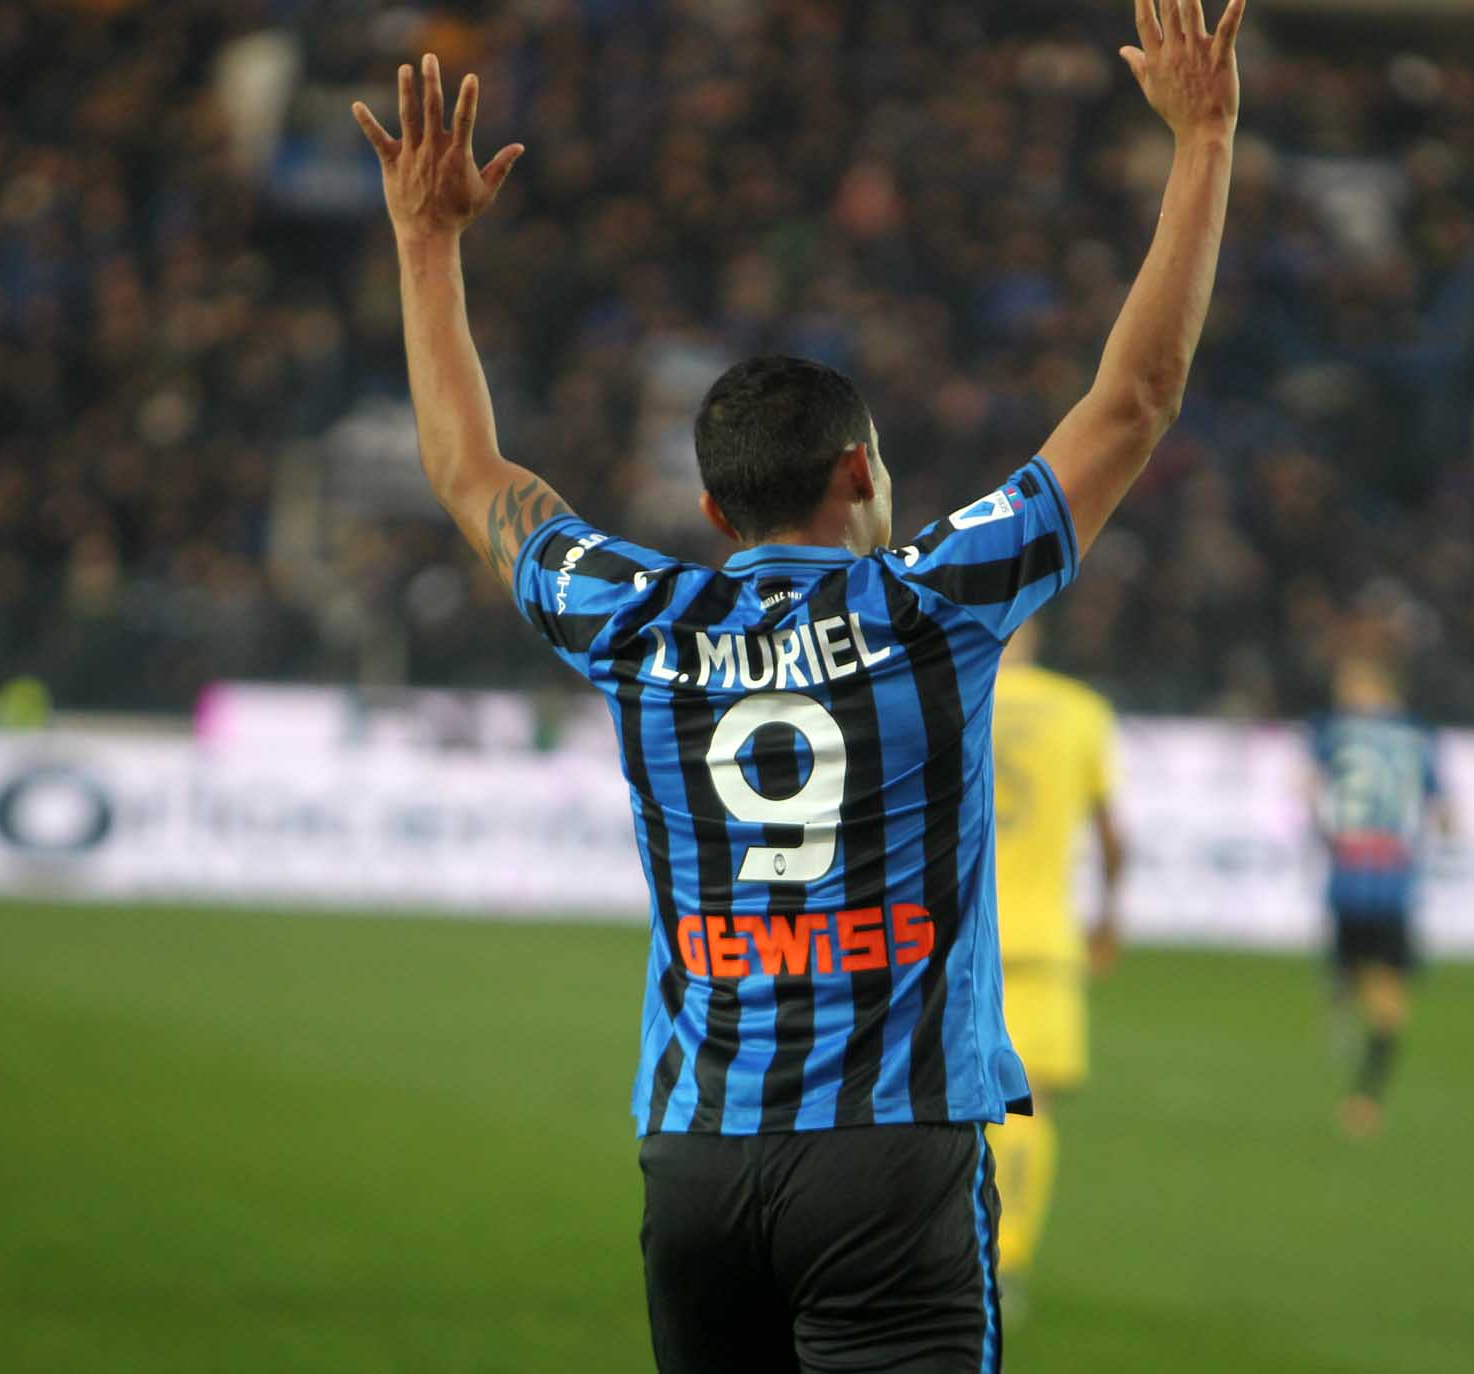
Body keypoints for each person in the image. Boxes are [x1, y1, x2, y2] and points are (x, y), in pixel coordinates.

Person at [350, 2, 1246, 1367]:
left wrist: (424, 243)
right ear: (857, 472)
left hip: (698, 1160)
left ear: (716, 509)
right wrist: (1203, 140)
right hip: (887, 1154)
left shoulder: (638, 620)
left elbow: (466, 470)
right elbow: (1134, 398)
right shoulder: (934, 603)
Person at [987, 621, 1128, 1312]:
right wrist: (1109, 917)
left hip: (952, 938)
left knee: (940, 1107)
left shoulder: (950, 693)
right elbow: (1112, 838)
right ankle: (1005, 1258)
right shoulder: (1081, 711)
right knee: (1027, 1107)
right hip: (1043, 941)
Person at [1306, 655, 1452, 1141]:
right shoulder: (1420, 737)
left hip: (1348, 871)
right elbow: (1445, 813)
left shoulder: (1333, 731)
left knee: (1362, 977)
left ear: (1373, 686)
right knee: (1390, 996)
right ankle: (1367, 1095)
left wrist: (1322, 829)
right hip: (1393, 876)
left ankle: (1341, 993)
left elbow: (1308, 790)